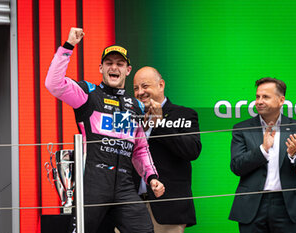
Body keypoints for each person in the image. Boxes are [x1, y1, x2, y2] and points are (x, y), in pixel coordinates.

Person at [45, 27, 165, 233]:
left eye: (120, 64)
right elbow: (53, 84)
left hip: (125, 185)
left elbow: (140, 149)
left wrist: (151, 177)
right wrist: (68, 46)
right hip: (93, 183)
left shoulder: (134, 105)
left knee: (145, 230)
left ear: (128, 70)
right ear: (101, 68)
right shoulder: (88, 94)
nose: (114, 68)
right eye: (109, 63)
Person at [229, 77, 296, 233]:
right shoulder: (241, 128)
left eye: (265, 97)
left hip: (287, 206)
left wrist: (294, 153)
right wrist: (262, 149)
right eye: (257, 96)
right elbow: (236, 166)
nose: (259, 101)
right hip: (251, 206)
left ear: (281, 100)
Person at [133, 66, 202, 233]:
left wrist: (159, 125)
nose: (140, 92)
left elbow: (192, 150)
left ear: (161, 85)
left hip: (168, 209)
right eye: (135, 88)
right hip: (131, 209)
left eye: (145, 86)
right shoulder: (130, 116)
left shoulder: (185, 114)